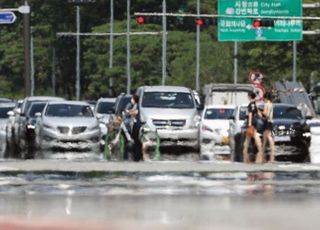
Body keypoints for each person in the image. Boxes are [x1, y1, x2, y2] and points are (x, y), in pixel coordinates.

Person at [242, 91, 263, 163]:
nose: (247, 97)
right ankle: (245, 150)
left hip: (251, 122)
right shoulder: (254, 104)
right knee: (248, 138)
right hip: (254, 121)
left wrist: (250, 124)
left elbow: (250, 114)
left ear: (250, 96)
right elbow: (258, 112)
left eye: (248, 96)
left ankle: (260, 149)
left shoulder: (251, 104)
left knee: (254, 135)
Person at [262, 92, 275, 163]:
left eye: (263, 98)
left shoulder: (266, 104)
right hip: (270, 122)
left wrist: (261, 111)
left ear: (265, 98)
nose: (263, 100)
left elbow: (266, 114)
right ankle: (262, 150)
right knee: (265, 137)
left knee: (268, 137)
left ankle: (272, 150)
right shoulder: (271, 104)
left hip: (267, 121)